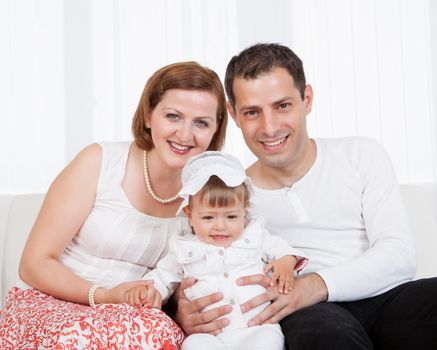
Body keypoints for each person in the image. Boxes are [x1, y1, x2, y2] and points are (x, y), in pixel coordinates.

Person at [175, 43, 437, 349]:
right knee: (324, 335)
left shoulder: (360, 155)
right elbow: (196, 256)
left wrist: (317, 285)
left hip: (387, 297)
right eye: (252, 112)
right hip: (309, 313)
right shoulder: (232, 195)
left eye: (283, 106)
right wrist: (185, 310)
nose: (270, 127)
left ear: (307, 99)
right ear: (233, 114)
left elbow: (399, 255)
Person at [0, 61, 228, 349]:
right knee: (84, 336)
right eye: (173, 116)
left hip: (128, 320)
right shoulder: (100, 161)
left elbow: (184, 285)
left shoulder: (212, 194)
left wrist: (180, 310)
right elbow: (33, 264)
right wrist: (105, 296)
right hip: (52, 305)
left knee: (159, 334)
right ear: (148, 115)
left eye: (201, 123)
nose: (184, 135)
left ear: (216, 129)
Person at [126, 151, 308, 350]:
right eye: (208, 218)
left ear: (244, 210)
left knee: (269, 342)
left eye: (231, 217)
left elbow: (281, 248)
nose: (220, 226)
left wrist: (286, 260)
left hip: (256, 328)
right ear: (189, 214)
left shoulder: (254, 234)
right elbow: (163, 277)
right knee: (193, 345)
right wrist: (149, 291)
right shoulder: (183, 246)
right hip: (211, 335)